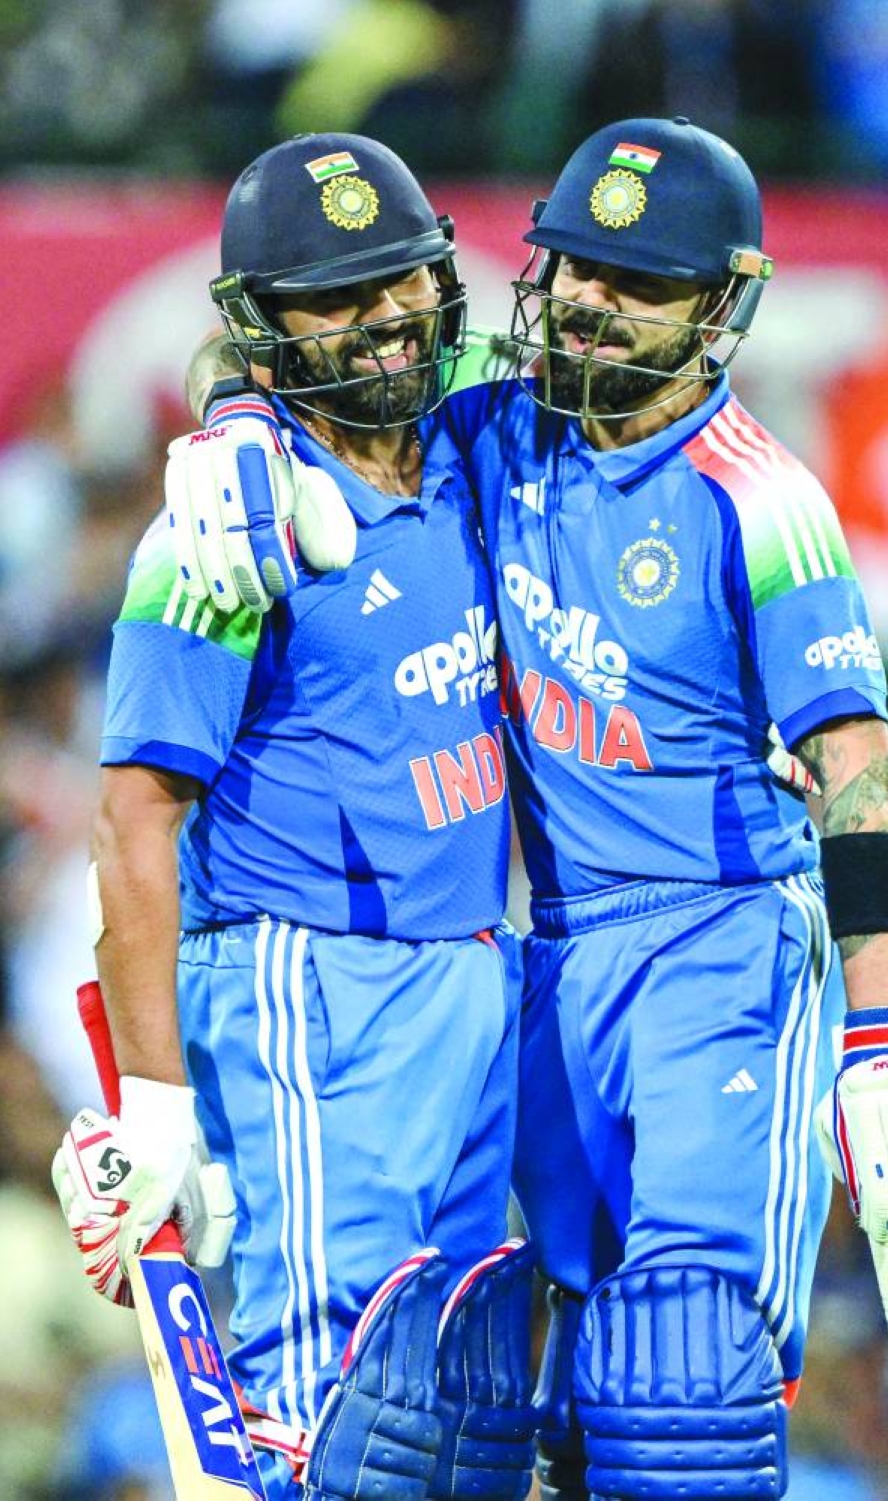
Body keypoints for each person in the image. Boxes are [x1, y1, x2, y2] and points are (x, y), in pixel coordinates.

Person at [163, 118, 888, 1500]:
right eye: (579, 264)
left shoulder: (762, 503)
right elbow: (301, 350)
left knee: (683, 1388)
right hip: (548, 961)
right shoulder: (495, 406)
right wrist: (232, 425)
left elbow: (863, 771)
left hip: (720, 957)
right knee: (500, 1399)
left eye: (639, 281)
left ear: (722, 307)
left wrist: (884, 1038)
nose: (594, 300)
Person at [51, 134, 537, 1501]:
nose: (383, 316)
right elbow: (132, 820)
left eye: (400, 277)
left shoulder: (456, 462)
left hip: (469, 980)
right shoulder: (212, 540)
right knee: (325, 1425)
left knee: (454, 1424)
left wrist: (234, 412)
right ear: (265, 326)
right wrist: (155, 1106)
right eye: (335, 295)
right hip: (309, 989)